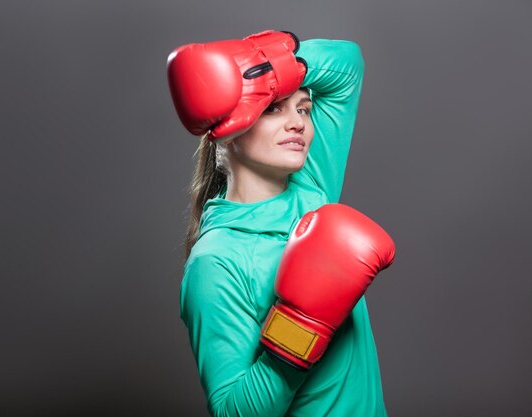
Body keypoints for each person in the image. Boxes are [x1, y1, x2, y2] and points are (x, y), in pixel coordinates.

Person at [168, 31, 394, 417]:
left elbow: (347, 64)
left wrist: (260, 66)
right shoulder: (215, 262)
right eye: (273, 109)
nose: (298, 124)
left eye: (303, 109)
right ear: (227, 130)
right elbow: (232, 410)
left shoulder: (311, 187)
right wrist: (300, 327)